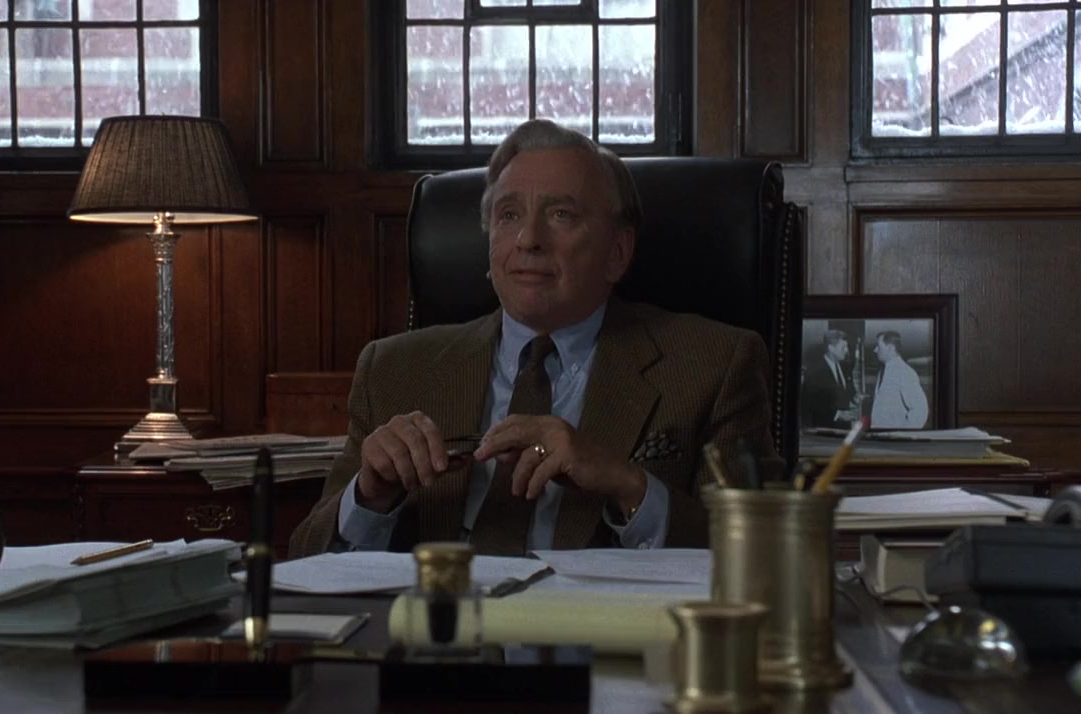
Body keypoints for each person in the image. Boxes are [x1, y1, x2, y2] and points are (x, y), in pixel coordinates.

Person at [288, 118, 780, 558]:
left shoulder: (714, 365)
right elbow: (303, 562)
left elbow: (760, 555)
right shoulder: (394, 370)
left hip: (598, 628)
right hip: (436, 621)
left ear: (617, 251)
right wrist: (369, 497)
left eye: (561, 214)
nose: (528, 239)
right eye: (509, 215)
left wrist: (629, 486)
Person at [800, 330, 860, 429]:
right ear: (831, 348)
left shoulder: (845, 367)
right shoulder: (815, 371)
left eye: (847, 347)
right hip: (824, 429)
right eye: (843, 347)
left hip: (844, 427)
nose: (846, 351)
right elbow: (810, 404)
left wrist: (854, 397)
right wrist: (837, 414)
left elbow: (846, 391)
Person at [870, 331, 928, 429]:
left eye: (878, 346)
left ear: (890, 348)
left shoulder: (905, 372)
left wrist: (905, 434)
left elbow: (920, 410)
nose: (875, 350)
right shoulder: (883, 371)